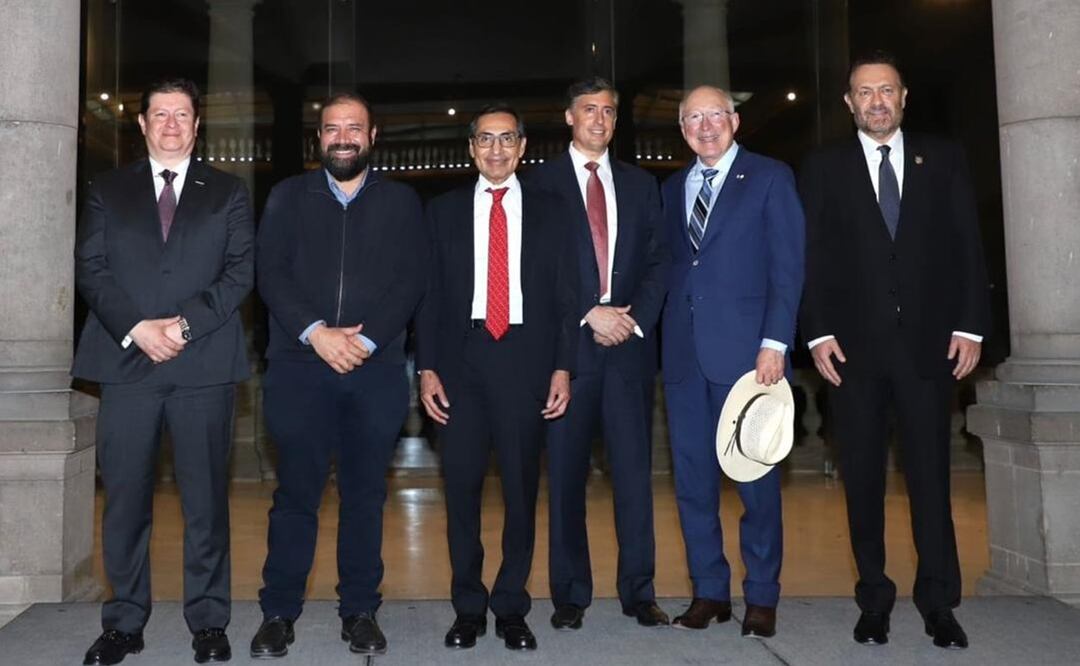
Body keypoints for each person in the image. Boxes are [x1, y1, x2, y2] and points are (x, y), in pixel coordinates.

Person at [799, 51, 991, 649]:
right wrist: (818, 331)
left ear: (903, 97)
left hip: (930, 351)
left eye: (886, 90)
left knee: (931, 480)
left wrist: (971, 326)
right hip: (850, 356)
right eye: (864, 92)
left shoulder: (945, 158)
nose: (876, 101)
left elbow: (967, 246)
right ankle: (874, 598)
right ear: (848, 103)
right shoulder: (823, 166)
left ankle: (939, 602)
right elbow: (809, 259)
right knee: (860, 480)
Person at [74, 77, 254, 665]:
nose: (171, 123)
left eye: (182, 114)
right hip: (126, 364)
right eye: (160, 114)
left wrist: (182, 326)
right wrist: (140, 328)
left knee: (205, 501)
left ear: (197, 126)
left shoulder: (227, 191)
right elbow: (92, 268)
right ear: (142, 124)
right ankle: (124, 622)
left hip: (203, 365)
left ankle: (208, 621)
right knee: (125, 500)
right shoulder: (107, 188)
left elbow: (239, 272)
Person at [251, 92, 427, 658]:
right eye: (332, 128)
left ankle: (359, 611)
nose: (343, 137)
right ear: (318, 138)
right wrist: (317, 333)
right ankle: (278, 612)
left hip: (374, 372)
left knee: (364, 497)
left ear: (372, 137)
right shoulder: (286, 196)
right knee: (296, 496)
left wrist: (368, 340)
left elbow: (411, 278)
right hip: (299, 368)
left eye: (354, 128)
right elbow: (269, 272)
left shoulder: (401, 201)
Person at [416, 104, 578, 652]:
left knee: (520, 491)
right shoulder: (440, 212)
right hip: (461, 364)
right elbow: (430, 296)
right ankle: (467, 607)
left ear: (523, 146)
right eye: (485, 140)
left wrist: (563, 365)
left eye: (506, 139)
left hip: (526, 362)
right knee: (460, 492)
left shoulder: (554, 211)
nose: (496, 150)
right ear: (470, 148)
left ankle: (510, 605)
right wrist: (427, 367)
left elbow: (566, 297)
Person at [660, 85, 805, 639]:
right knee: (694, 484)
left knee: (756, 483)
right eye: (692, 118)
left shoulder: (770, 177)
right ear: (682, 129)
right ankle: (710, 593)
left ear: (735, 121)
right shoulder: (672, 187)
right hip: (683, 360)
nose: (704, 126)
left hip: (750, 360)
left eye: (714, 116)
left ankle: (762, 596)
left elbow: (787, 269)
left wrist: (776, 342)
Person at [528, 76, 670, 631]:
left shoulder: (640, 186)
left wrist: (632, 322)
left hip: (629, 351)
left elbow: (661, 262)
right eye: (589, 110)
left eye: (609, 111)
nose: (599, 120)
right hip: (568, 351)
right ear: (568, 116)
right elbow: (536, 270)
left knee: (635, 477)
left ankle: (639, 592)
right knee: (564, 477)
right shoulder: (537, 186)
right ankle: (569, 594)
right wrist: (591, 311)